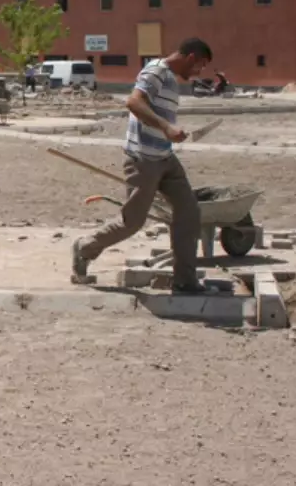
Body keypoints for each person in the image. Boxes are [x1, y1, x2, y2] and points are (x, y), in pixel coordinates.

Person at [71, 38, 213, 294]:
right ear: (191, 57)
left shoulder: (169, 78)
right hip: (143, 159)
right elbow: (134, 102)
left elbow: (157, 114)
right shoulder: (156, 71)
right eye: (200, 66)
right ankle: (85, 247)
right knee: (132, 222)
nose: (199, 73)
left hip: (165, 156)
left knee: (189, 213)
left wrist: (172, 132)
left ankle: (184, 281)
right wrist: (167, 127)